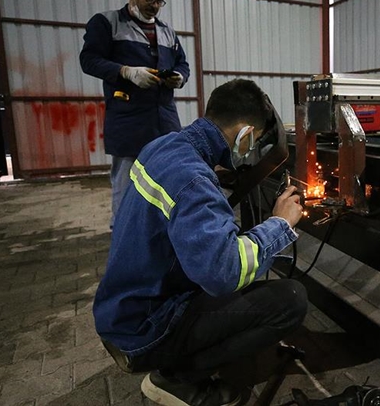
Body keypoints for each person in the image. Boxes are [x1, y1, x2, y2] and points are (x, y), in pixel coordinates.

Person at [93, 79, 307, 406]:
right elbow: (225, 272)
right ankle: (177, 379)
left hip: (122, 311)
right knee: (290, 299)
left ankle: (177, 362)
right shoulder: (194, 181)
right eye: (254, 143)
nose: (251, 152)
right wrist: (280, 223)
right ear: (245, 135)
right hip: (146, 329)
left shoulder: (164, 146)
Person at [80, 0, 190, 228]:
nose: (154, 5)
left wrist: (179, 77)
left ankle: (159, 231)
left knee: (166, 177)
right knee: (126, 183)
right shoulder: (107, 23)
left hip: (164, 119)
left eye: (159, 0)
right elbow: (89, 60)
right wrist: (126, 72)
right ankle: (123, 232)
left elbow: (182, 63)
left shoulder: (166, 31)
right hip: (128, 120)